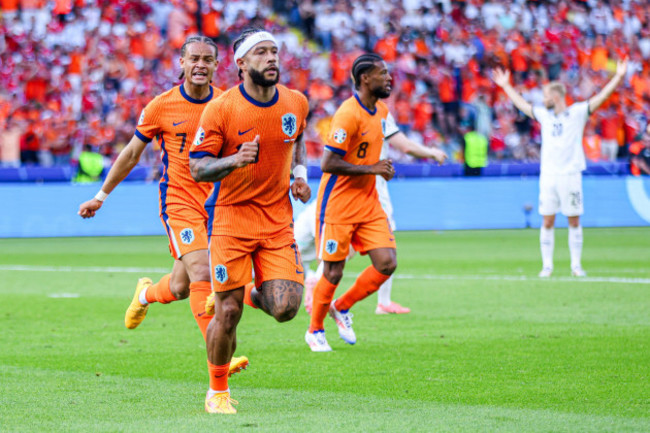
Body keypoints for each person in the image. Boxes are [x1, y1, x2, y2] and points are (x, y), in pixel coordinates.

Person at [77, 35, 248, 371]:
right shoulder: (161, 106)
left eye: (207, 60)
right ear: (181, 63)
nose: (200, 65)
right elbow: (130, 154)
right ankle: (219, 360)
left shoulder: (229, 104)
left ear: (216, 66)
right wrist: (100, 196)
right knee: (203, 272)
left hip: (217, 204)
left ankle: (144, 294)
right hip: (179, 201)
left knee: (183, 287)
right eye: (193, 59)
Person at [189, 28, 311, 414]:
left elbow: (298, 138)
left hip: (277, 222)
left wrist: (301, 174)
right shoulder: (222, 108)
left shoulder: (295, 102)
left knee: (287, 309)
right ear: (241, 63)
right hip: (231, 221)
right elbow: (197, 166)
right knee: (227, 313)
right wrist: (234, 160)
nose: (272, 58)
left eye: (274, 51)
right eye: (261, 52)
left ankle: (251, 291)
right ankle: (217, 392)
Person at [296, 111, 446, 315]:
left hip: (341, 192)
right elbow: (405, 146)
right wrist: (432, 152)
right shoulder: (378, 112)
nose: (387, 79)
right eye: (383, 76)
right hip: (370, 191)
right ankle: (331, 298)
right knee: (381, 244)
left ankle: (321, 291)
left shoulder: (350, 112)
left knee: (340, 247)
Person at [493, 59, 628, 277]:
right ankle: (547, 266)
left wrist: (618, 77)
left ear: (555, 97)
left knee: (573, 219)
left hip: (571, 174)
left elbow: (601, 98)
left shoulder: (577, 113)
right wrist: (506, 86)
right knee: (547, 219)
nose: (543, 99)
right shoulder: (544, 116)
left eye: (546, 95)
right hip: (549, 175)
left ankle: (576, 265)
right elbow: (522, 106)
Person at [305, 53, 397, 353]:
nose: (389, 78)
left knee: (386, 263)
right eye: (383, 73)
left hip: (368, 202)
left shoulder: (381, 110)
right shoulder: (348, 114)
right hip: (338, 204)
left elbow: (368, 154)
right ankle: (315, 330)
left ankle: (342, 306)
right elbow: (328, 162)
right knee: (333, 272)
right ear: (365, 79)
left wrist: (379, 166)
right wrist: (373, 169)